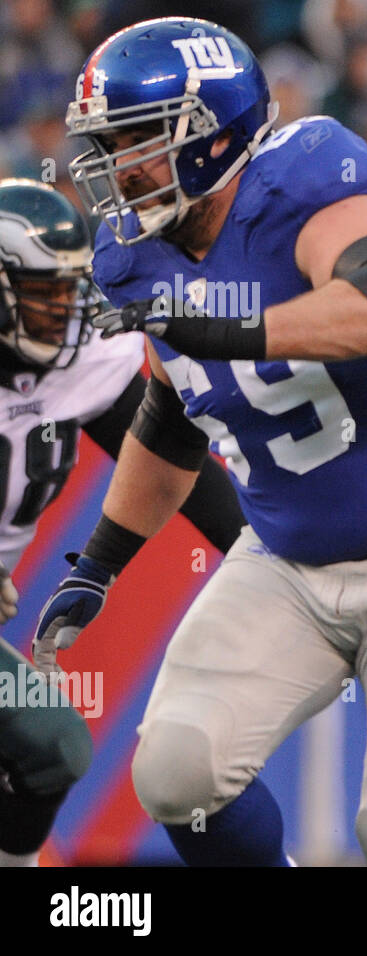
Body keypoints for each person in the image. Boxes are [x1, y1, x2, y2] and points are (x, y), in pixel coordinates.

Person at [35, 16, 367, 867]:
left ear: (212, 136)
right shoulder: (133, 254)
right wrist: (100, 562)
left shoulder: (302, 175)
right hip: (288, 557)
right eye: (106, 142)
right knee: (179, 772)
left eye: (136, 139)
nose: (116, 166)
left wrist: (220, 327)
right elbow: (173, 408)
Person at [0, 177, 243, 867]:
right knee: (49, 742)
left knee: (50, 752)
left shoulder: (77, 361)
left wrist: (267, 548)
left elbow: (170, 455)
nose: (68, 312)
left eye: (73, 289)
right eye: (45, 295)